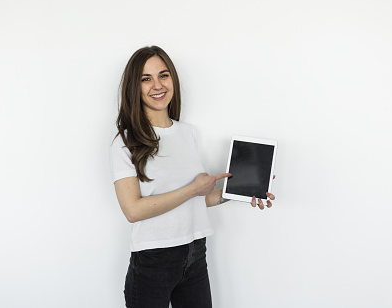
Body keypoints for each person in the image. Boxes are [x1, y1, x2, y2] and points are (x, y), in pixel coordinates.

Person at [109, 45, 275, 308]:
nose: (157, 85)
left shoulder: (188, 133)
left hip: (196, 254)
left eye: (163, 75)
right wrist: (192, 190)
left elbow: (199, 199)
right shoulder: (126, 140)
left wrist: (245, 189)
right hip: (153, 260)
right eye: (146, 79)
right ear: (134, 87)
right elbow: (132, 210)